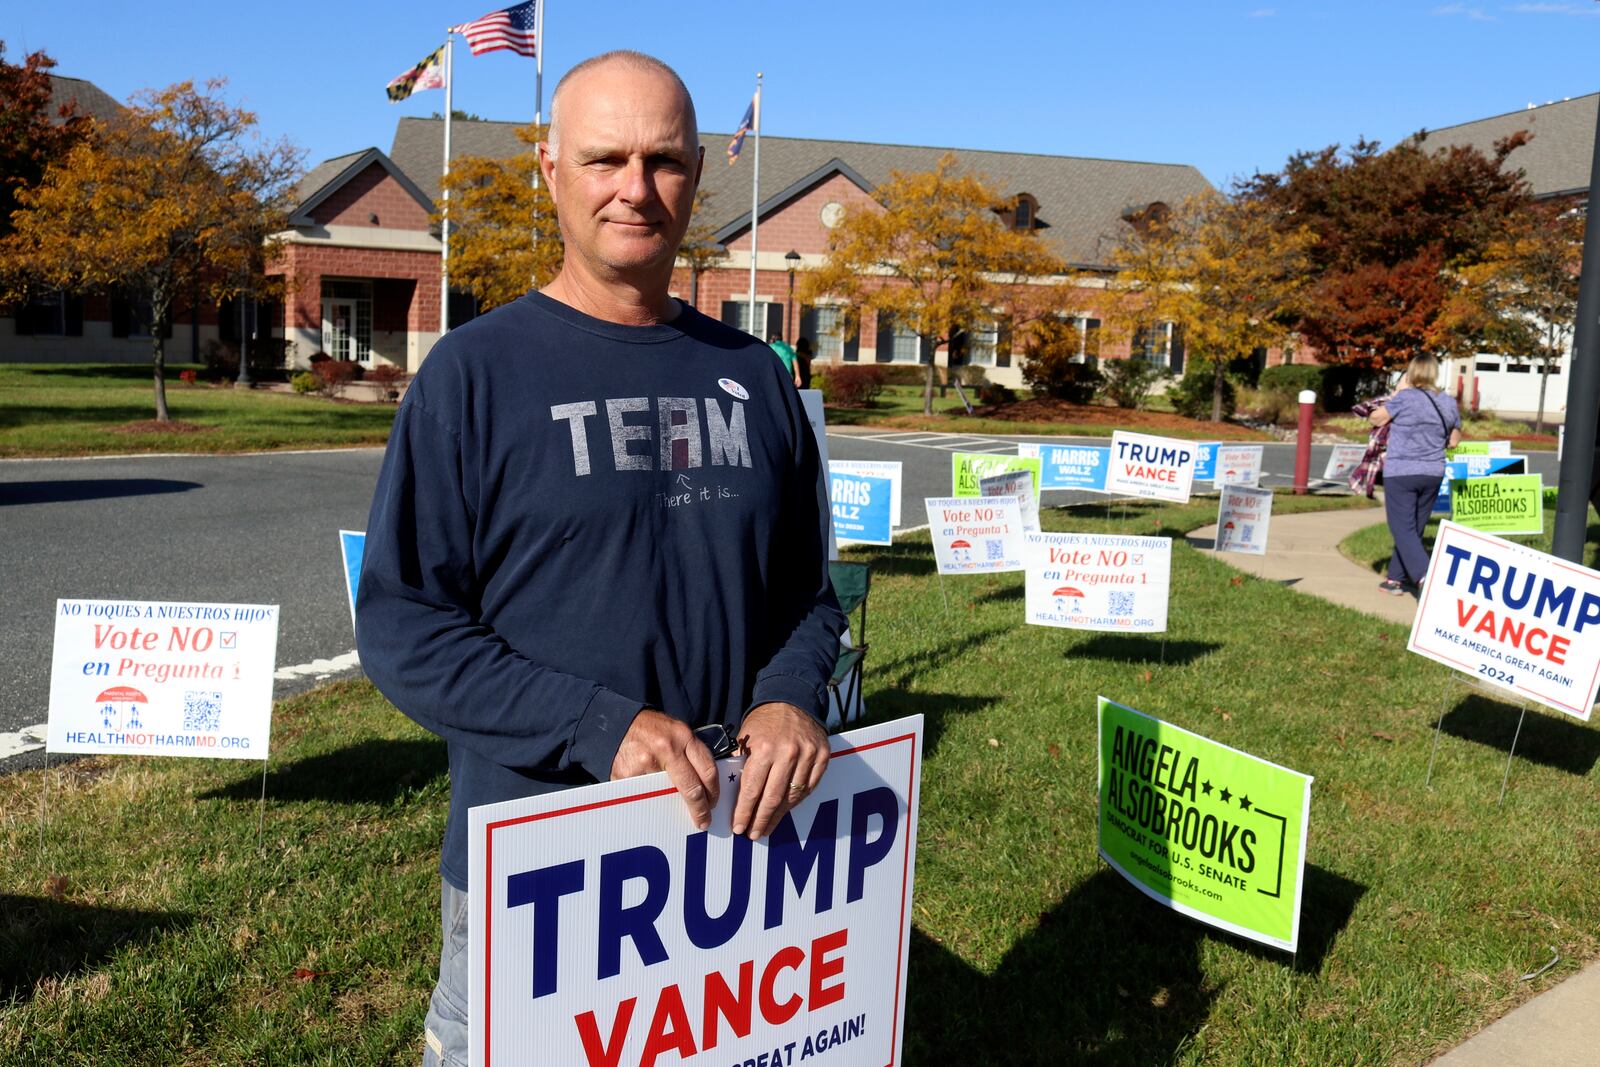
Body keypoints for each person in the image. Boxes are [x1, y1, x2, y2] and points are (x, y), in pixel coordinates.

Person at [355, 50, 845, 1067]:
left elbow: (806, 590)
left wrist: (794, 690)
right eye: (605, 158)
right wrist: (594, 725)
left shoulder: (756, 377)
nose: (636, 188)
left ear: (698, 171)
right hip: (537, 856)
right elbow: (403, 623)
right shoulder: (473, 375)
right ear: (548, 168)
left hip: (731, 850)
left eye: (663, 161)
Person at [1368, 355, 1461, 594]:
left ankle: (1425, 575)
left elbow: (1375, 418)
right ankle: (1395, 580)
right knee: (1414, 527)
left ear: (1411, 373)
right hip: (1433, 471)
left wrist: (1396, 394)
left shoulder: (1405, 398)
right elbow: (1453, 441)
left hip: (1402, 471)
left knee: (1402, 527)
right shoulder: (1448, 402)